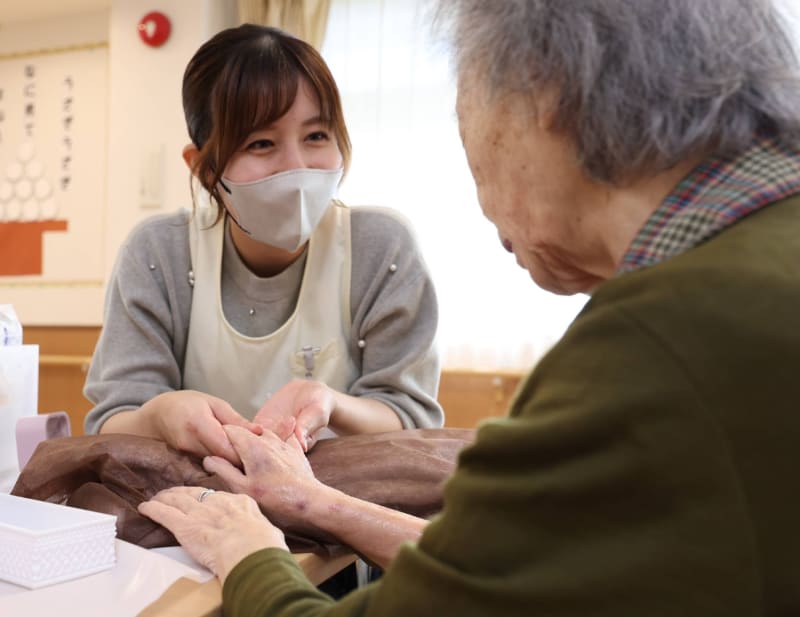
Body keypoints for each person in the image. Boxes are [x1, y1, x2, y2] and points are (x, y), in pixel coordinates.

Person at [140, 0, 800, 614]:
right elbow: (520, 561)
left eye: (471, 140)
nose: (485, 204)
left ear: (545, 108)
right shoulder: (743, 278)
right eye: (260, 143)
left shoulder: (652, 344)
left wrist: (247, 551)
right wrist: (318, 503)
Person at [83, 24, 443, 463]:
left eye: (316, 136)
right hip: (194, 494)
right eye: (261, 143)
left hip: (339, 495)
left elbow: (411, 415)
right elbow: (113, 420)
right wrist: (160, 415)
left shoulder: (380, 248)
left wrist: (329, 403)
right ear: (203, 168)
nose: (296, 167)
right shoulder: (159, 253)